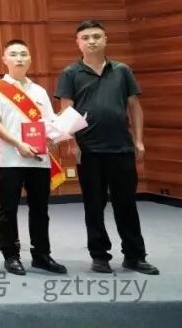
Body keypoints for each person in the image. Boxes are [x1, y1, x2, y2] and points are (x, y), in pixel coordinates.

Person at [55, 20, 158, 275]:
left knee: (127, 204)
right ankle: (99, 256)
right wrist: (73, 144)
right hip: (89, 150)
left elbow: (134, 106)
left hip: (121, 148)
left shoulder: (122, 70)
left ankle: (135, 256)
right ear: (77, 43)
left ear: (105, 39)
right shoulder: (70, 73)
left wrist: (139, 140)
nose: (91, 41)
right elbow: (66, 111)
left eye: (96, 36)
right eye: (85, 37)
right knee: (94, 206)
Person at [0, 39, 67, 276]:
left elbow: (49, 122)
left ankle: (41, 255)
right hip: (11, 160)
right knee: (8, 210)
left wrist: (55, 135)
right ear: (5, 59)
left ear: (30, 59)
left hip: (39, 160)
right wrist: (18, 144)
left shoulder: (39, 91)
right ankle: (10, 256)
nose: (19, 58)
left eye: (23, 54)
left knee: (40, 210)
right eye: (13, 54)